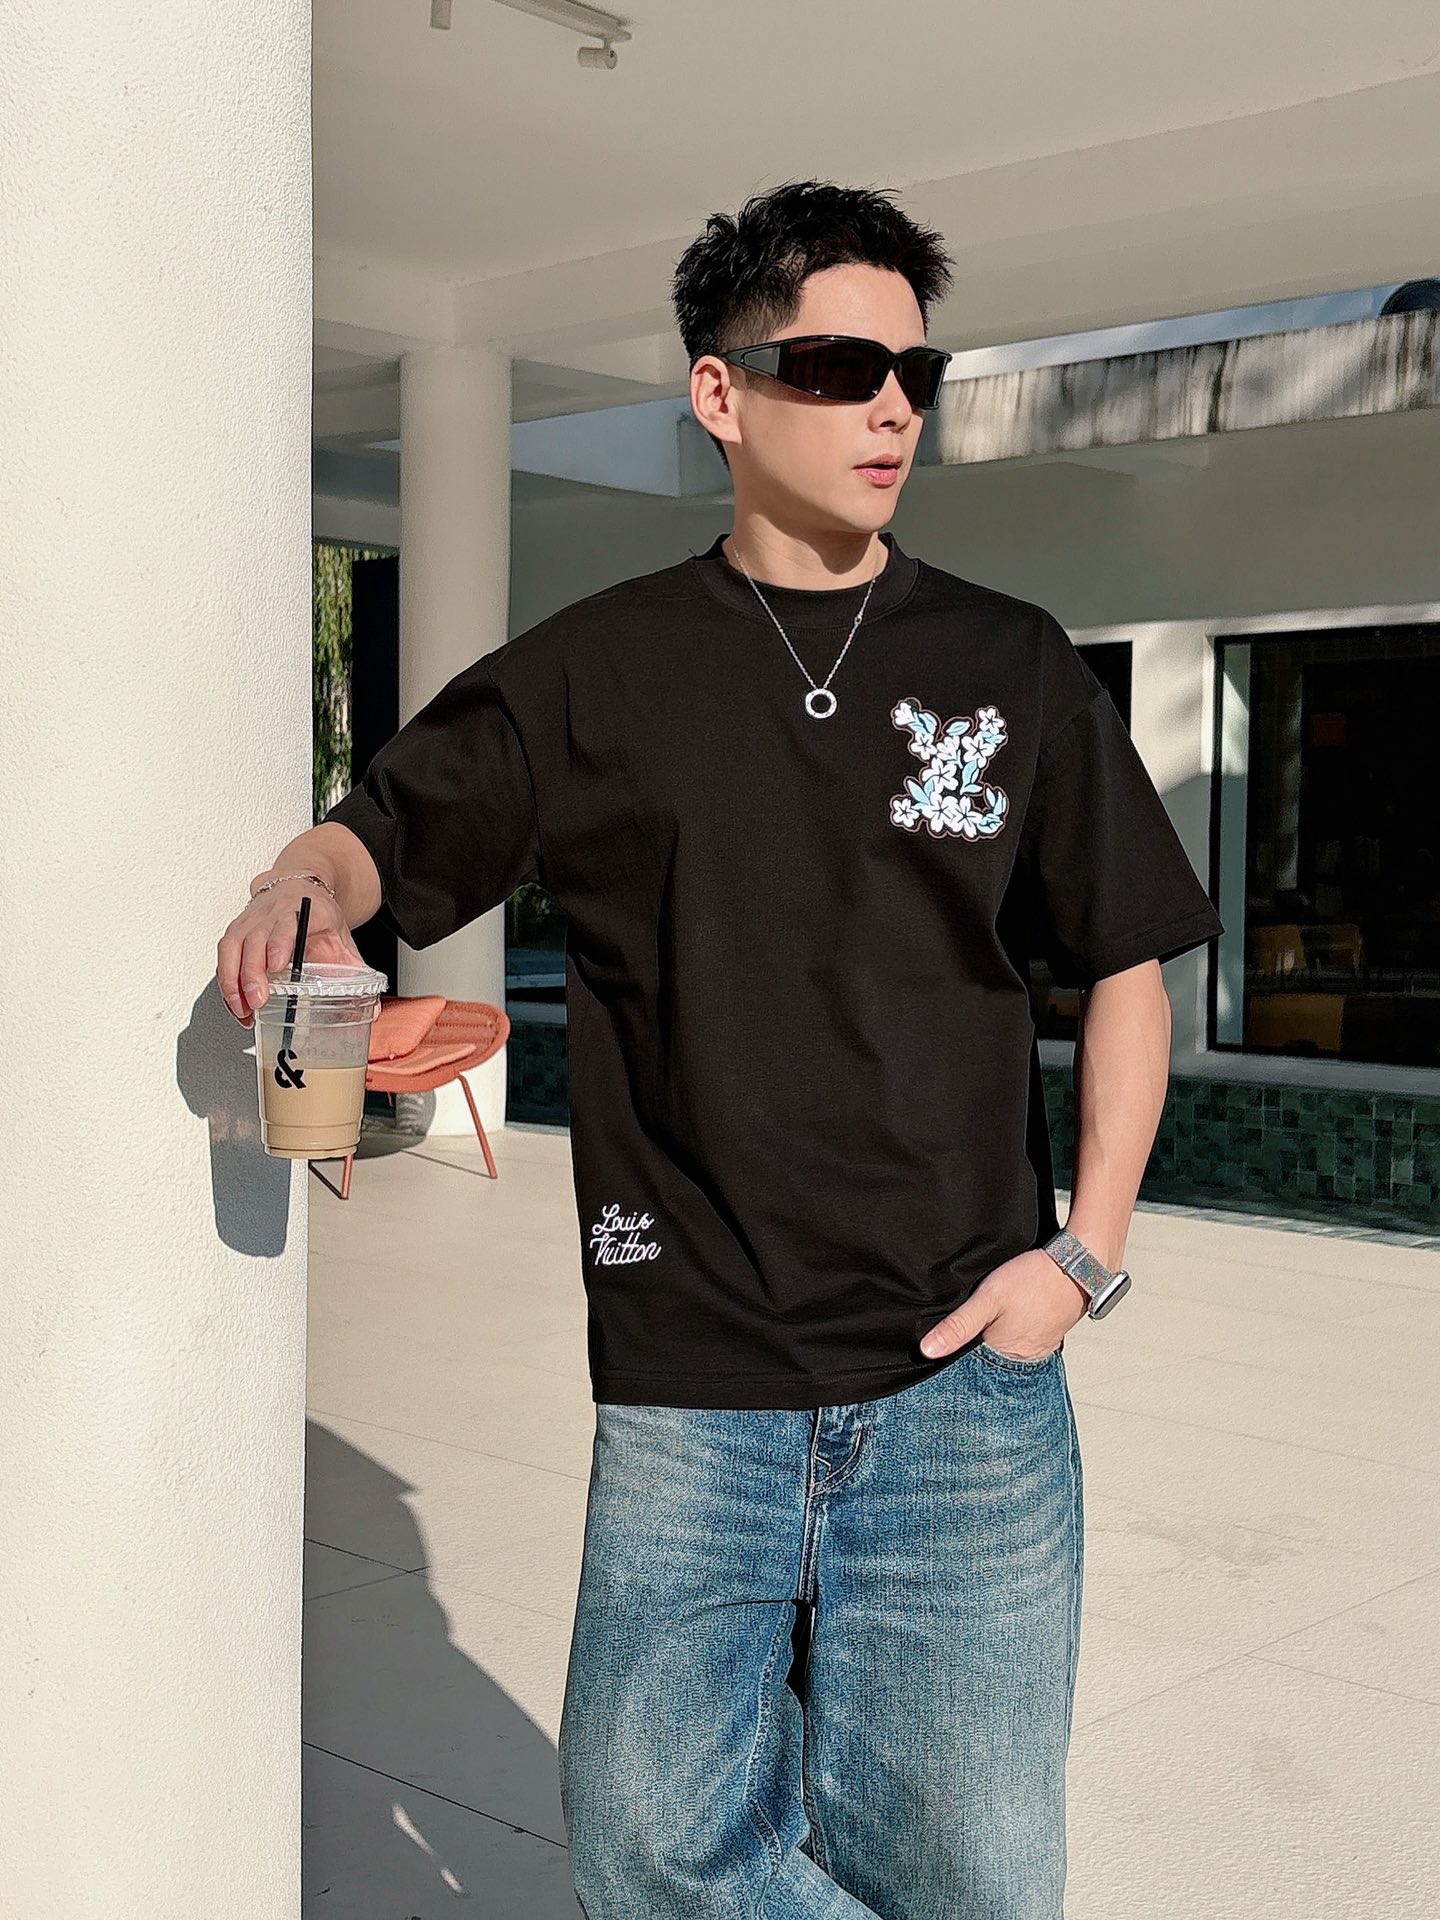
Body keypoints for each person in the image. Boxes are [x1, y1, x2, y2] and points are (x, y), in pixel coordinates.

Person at [217, 180, 1224, 1919]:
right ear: (720, 393)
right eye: (838, 367)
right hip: (694, 1388)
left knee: (970, 1880)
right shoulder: (601, 673)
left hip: (965, 1390)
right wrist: (302, 881)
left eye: (917, 371)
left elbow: (1124, 960)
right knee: (647, 1853)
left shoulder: (1011, 663)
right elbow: (387, 831)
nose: (892, 406)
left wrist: (1086, 1257)